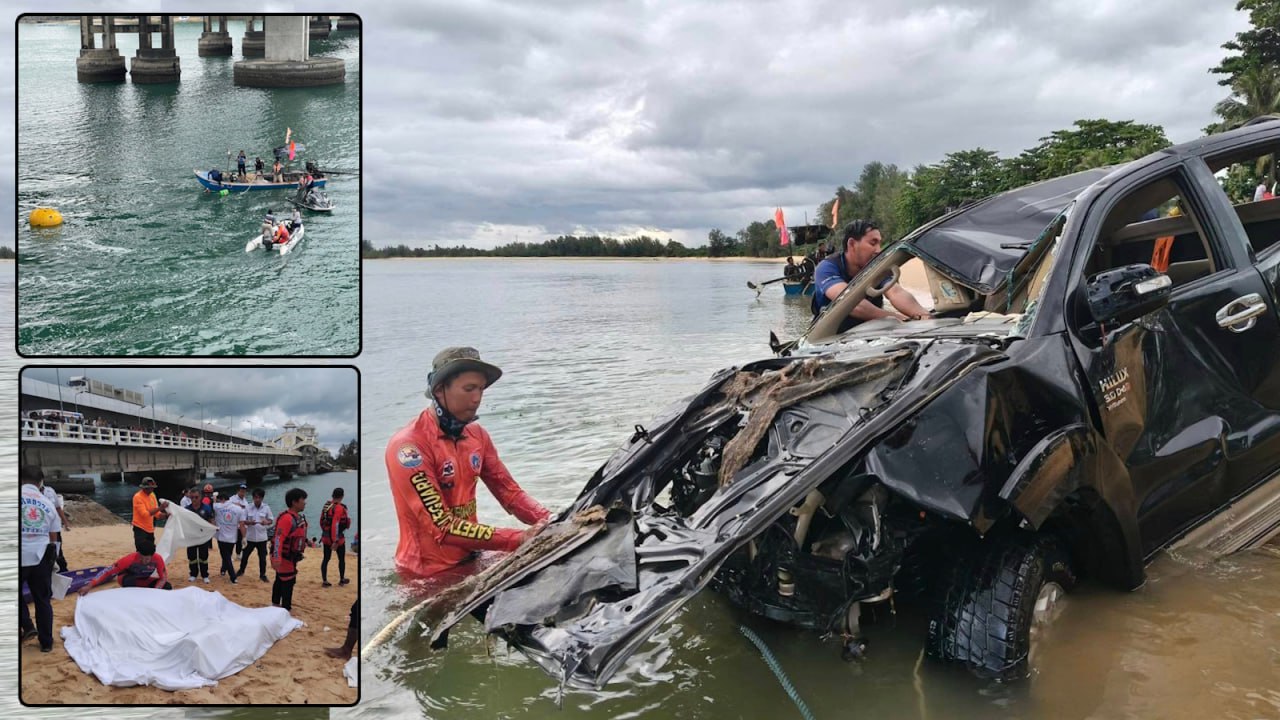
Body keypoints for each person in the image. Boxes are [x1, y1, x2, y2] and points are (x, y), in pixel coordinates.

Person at [385, 346, 550, 580]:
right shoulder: (409, 448)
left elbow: (510, 494)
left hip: (472, 557)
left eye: (481, 389)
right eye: (469, 389)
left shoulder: (477, 436)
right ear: (440, 390)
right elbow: (442, 525)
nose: (477, 398)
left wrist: (551, 520)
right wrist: (519, 539)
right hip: (427, 573)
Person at [811, 219, 932, 331]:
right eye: (873, 243)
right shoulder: (827, 268)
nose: (878, 250)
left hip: (869, 333)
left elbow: (896, 292)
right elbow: (851, 304)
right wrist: (899, 318)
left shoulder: (876, 266)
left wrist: (923, 316)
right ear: (852, 244)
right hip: (830, 338)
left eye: (879, 243)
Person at [20, 466, 58, 653]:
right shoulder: (47, 502)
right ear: (41, 482)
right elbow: (53, 537)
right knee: (43, 600)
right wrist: (54, 560)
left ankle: (27, 626)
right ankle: (46, 642)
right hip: (41, 557)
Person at [272, 488, 314, 612]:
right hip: (285, 557)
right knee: (288, 581)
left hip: (291, 556)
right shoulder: (287, 519)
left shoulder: (297, 518)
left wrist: (307, 542)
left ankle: (275, 605)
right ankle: (285, 609)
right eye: (303, 500)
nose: (305, 503)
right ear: (294, 502)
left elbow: (297, 535)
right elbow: (278, 539)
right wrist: (276, 558)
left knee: (280, 579)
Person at [79, 539, 172, 593]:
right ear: (138, 553)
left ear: (152, 555)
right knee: (130, 581)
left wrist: (155, 592)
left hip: (143, 580)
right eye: (141, 558)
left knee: (167, 586)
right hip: (127, 580)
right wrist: (89, 586)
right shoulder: (129, 559)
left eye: (147, 559)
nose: (144, 561)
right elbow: (107, 571)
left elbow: (163, 578)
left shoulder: (158, 559)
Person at [237, 488, 273, 582]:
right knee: (245, 556)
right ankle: (241, 570)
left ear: (262, 498)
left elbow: (271, 520)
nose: (257, 499)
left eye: (259, 497)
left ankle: (263, 575)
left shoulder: (266, 507)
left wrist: (266, 522)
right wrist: (249, 522)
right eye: (255, 497)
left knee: (262, 558)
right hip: (250, 537)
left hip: (262, 538)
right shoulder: (248, 507)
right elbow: (243, 520)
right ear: (253, 498)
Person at [213, 492, 247, 584]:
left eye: (220, 500)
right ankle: (223, 569)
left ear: (223, 499)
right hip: (233, 537)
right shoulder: (238, 509)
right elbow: (242, 524)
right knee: (227, 555)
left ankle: (233, 577)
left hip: (222, 537)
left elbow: (214, 503)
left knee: (226, 557)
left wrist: (215, 496)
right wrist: (244, 537)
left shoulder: (218, 506)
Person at [319, 488, 350, 587]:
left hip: (325, 537)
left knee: (326, 559)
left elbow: (321, 521)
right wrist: (335, 540)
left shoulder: (326, 506)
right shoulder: (340, 508)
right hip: (338, 539)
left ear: (333, 495)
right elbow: (335, 525)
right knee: (341, 559)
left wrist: (325, 533)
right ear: (342, 496)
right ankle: (341, 579)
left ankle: (324, 581)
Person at [38, 476, 69, 573]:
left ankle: (63, 571)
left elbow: (58, 508)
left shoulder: (50, 491)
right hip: (40, 528)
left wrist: (65, 522)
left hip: (54, 527)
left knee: (57, 551)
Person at [131, 477, 169, 553]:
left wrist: (166, 516)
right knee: (141, 551)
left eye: (152, 488)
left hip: (150, 529)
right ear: (143, 488)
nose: (151, 490)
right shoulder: (137, 497)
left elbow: (157, 514)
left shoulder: (152, 495)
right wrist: (160, 508)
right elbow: (145, 514)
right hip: (140, 528)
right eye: (148, 488)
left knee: (151, 551)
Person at [229, 484, 249, 559]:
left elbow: (246, 513)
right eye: (241, 491)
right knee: (232, 540)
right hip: (233, 523)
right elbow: (226, 503)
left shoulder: (245, 501)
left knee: (239, 540)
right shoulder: (232, 498)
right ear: (238, 491)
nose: (242, 492)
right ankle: (230, 555)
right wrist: (236, 504)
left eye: (244, 491)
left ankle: (238, 554)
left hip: (242, 524)